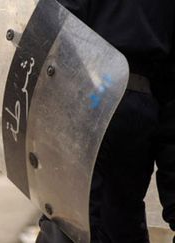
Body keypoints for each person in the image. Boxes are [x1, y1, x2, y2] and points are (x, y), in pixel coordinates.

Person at [35, 1, 175, 242]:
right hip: (141, 103)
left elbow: (54, 23)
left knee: (71, 219)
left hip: (88, 90)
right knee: (121, 217)